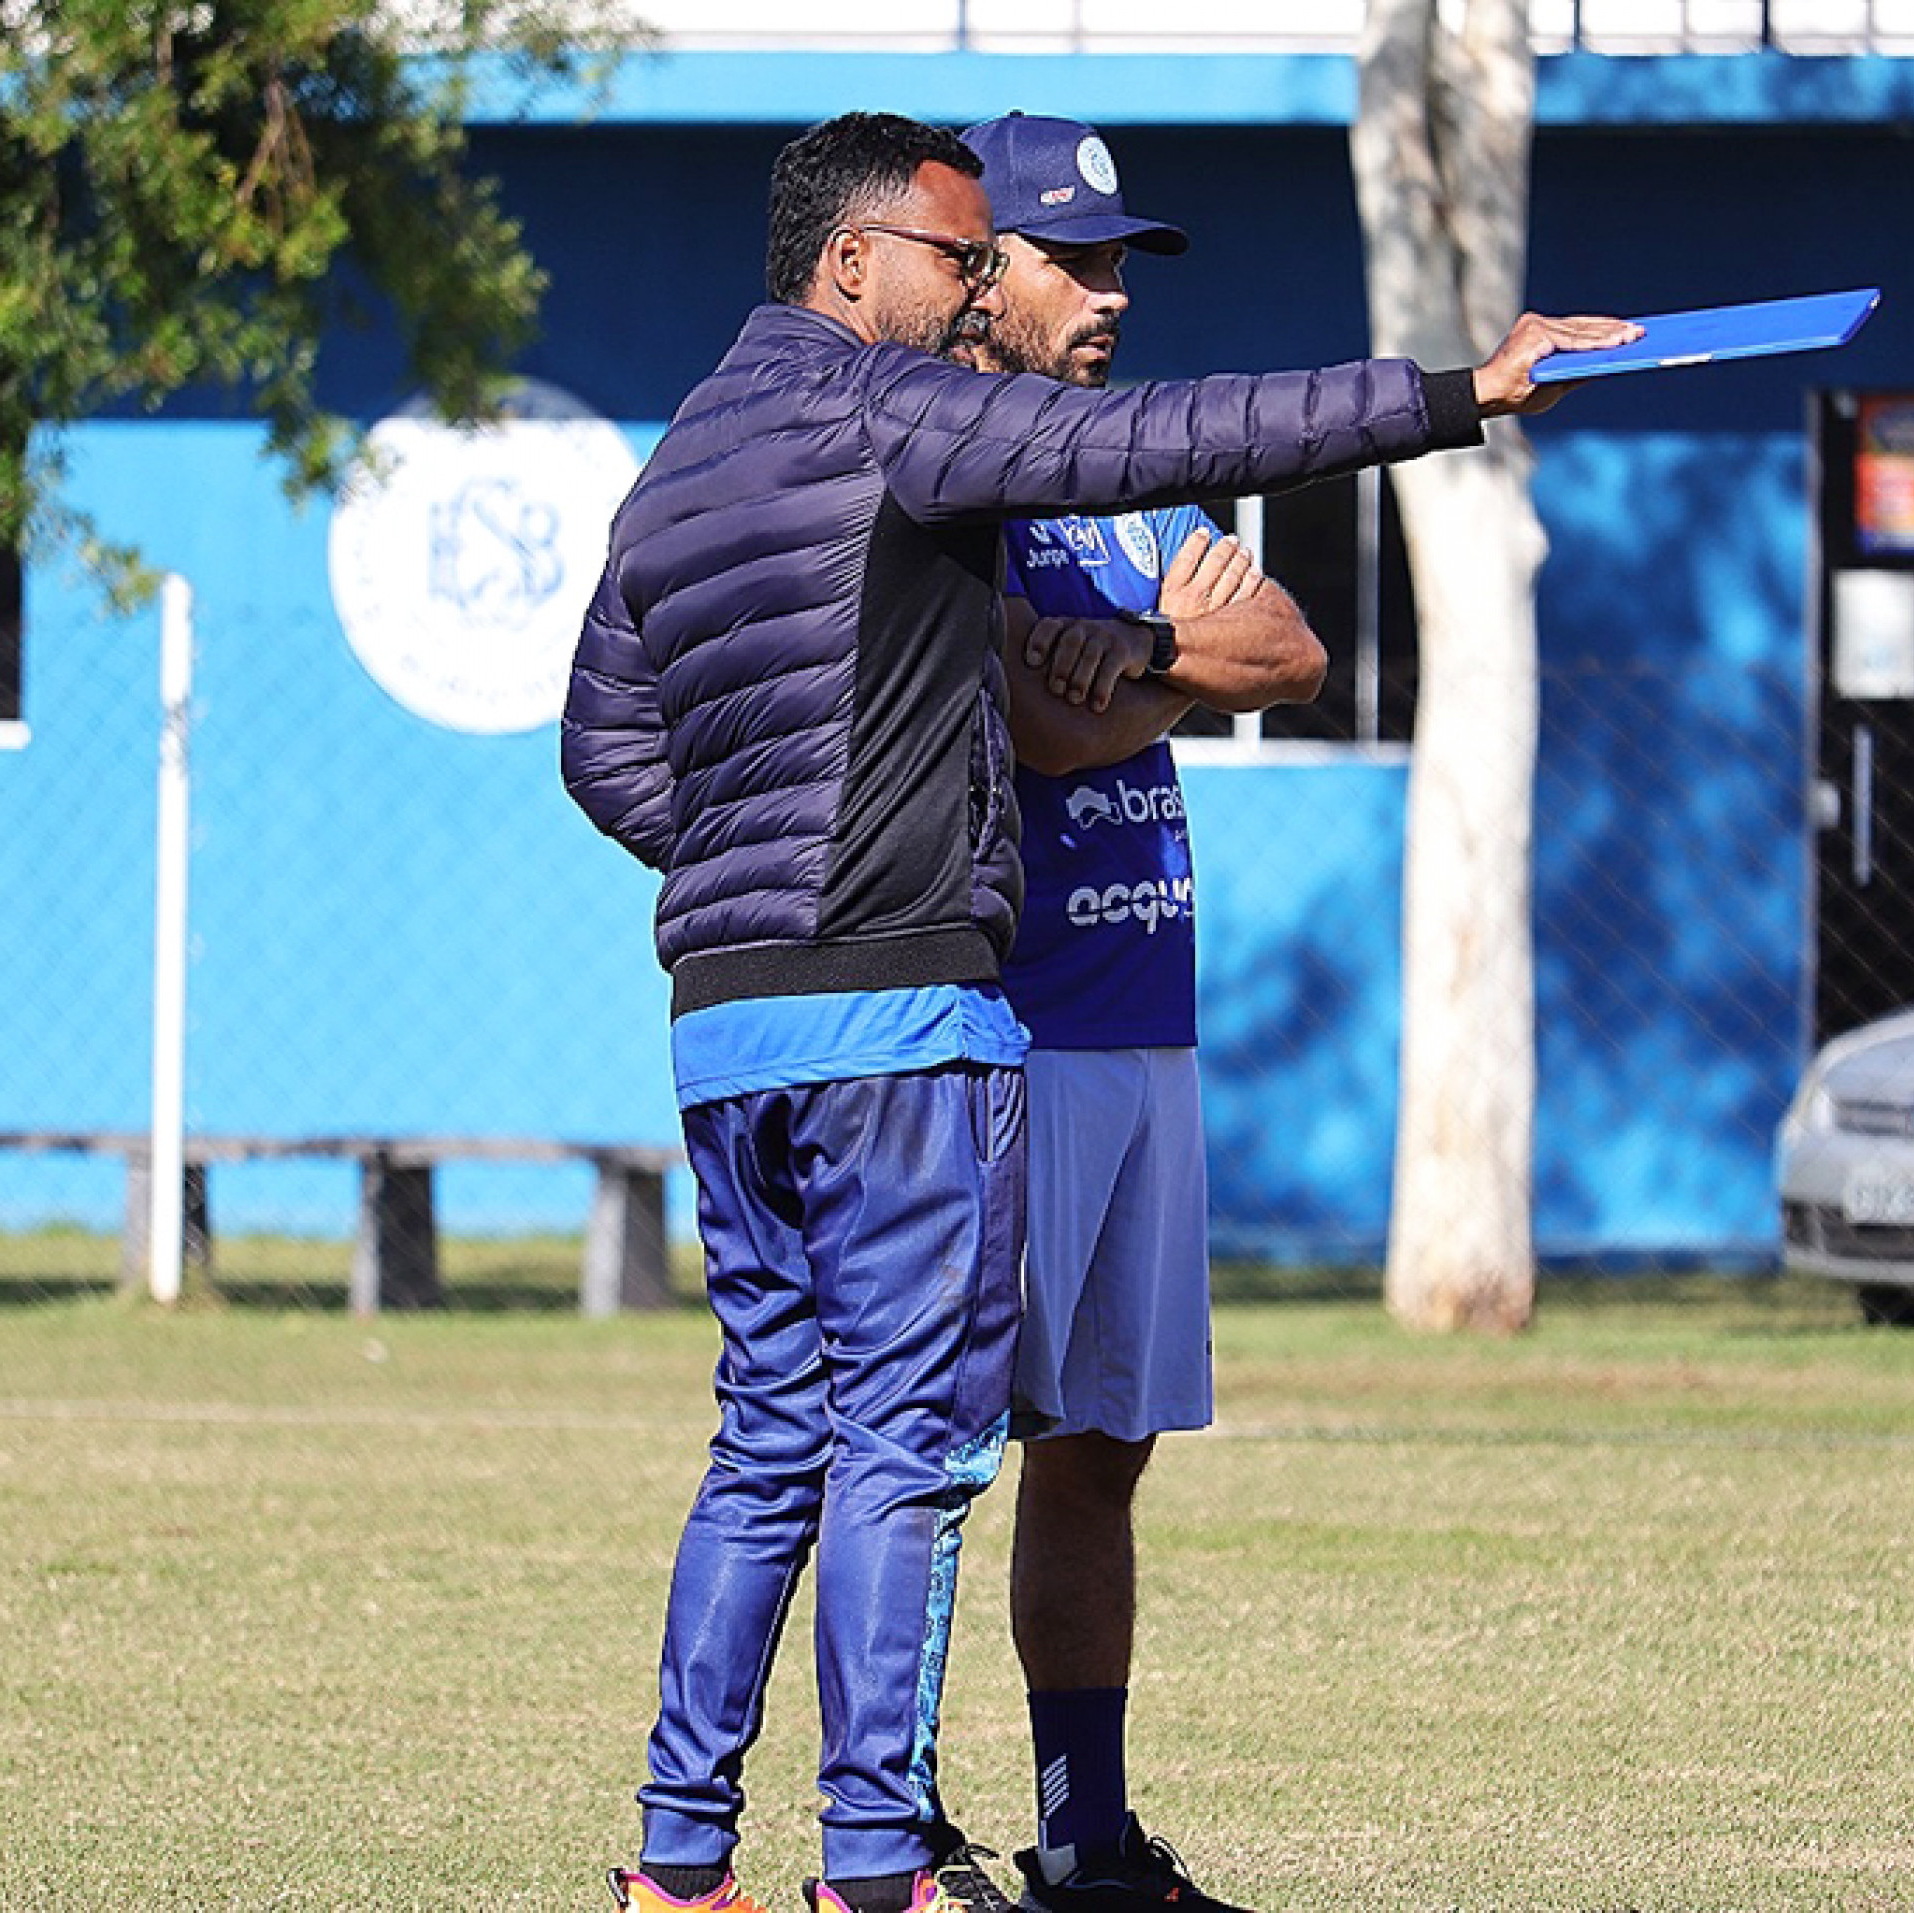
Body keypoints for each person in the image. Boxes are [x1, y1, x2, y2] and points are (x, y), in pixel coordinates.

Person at [561, 109, 1636, 1913]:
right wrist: (1464, 389)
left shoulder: (677, 459)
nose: (980, 286)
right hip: (898, 1016)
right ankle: (874, 1870)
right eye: (956, 258)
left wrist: (762, 867)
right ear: (852, 262)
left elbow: (601, 747)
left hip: (726, 1024)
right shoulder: (885, 405)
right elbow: (1170, 436)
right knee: (910, 1444)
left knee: (769, 1436)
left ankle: (680, 1864)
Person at [955, 112, 1313, 1913]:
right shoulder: (953, 487)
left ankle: (1083, 1839)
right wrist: (1162, 670)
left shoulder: (1134, 476)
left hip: (1147, 1021)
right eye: (1069, 259)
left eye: (1118, 264)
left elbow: (1291, 652)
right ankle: (884, 1834)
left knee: (1104, 1448)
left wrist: (1153, 655)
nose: (1104, 295)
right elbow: (1035, 724)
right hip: (1005, 1034)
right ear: (973, 272)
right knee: (929, 1452)